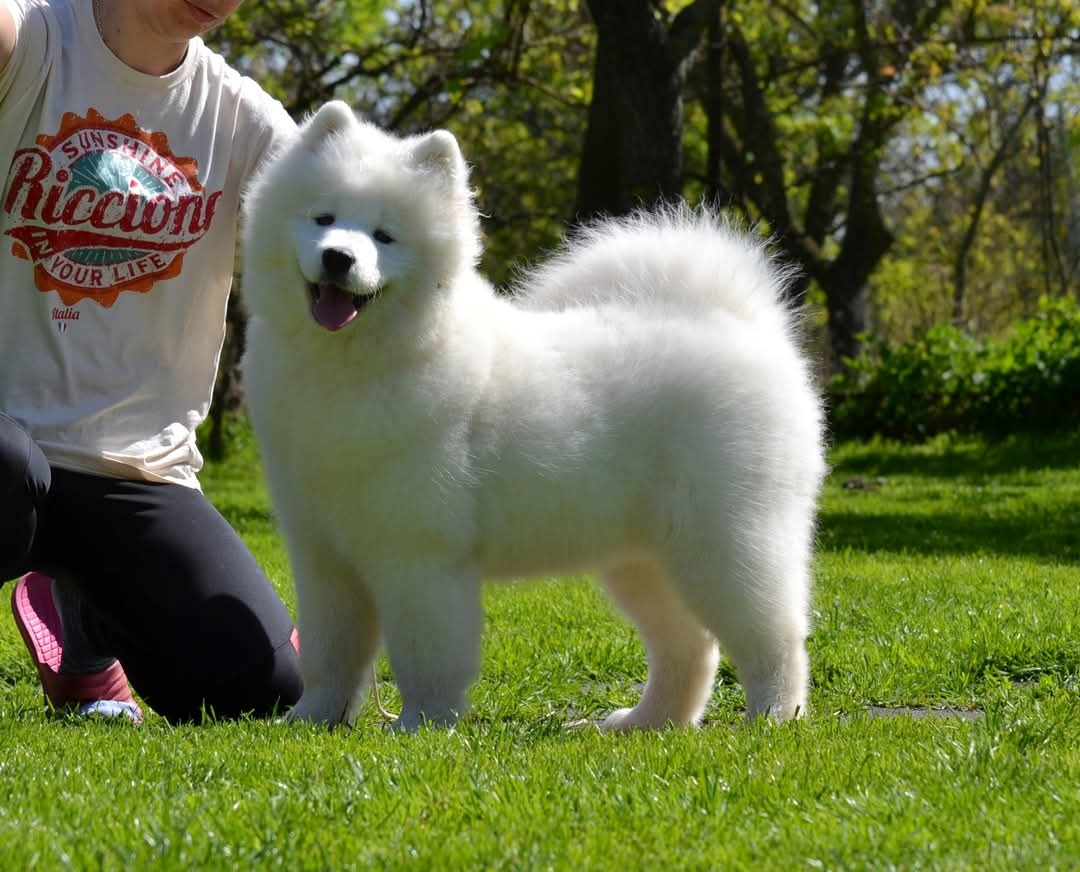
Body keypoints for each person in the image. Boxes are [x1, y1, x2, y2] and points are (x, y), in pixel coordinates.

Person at [0, 0, 304, 723]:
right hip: (6, 444)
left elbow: (353, 220)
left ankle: (83, 622)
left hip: (135, 470)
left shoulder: (244, 121)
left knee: (262, 687)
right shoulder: (30, 41)